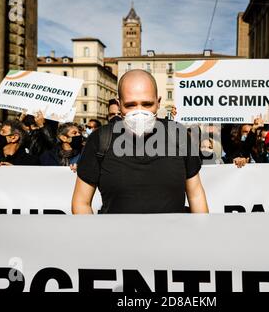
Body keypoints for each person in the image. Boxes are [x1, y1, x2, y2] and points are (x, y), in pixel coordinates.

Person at [72, 69, 209, 214]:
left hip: (173, 235)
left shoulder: (178, 135)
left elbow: (196, 195)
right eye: (130, 105)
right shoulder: (100, 139)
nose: (139, 111)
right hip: (114, 236)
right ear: (119, 105)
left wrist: (202, 233)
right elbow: (81, 202)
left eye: (147, 104)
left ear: (158, 103)